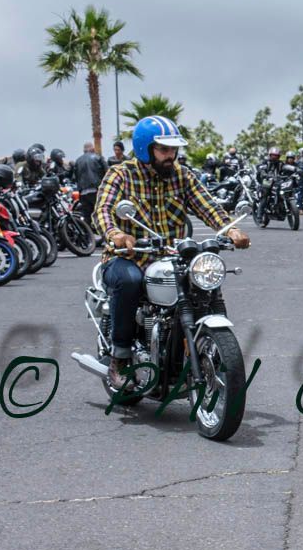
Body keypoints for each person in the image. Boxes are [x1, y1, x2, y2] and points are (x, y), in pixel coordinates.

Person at [92, 116, 250, 391]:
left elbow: (207, 206)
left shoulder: (181, 175)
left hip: (172, 255)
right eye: (163, 150)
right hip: (129, 256)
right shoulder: (121, 174)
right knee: (128, 281)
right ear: (145, 148)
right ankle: (120, 358)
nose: (170, 155)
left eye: (173, 150)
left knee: (204, 284)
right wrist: (116, 234)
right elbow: (103, 210)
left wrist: (230, 230)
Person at [72, 141, 107, 223]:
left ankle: (88, 234)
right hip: (96, 190)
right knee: (100, 213)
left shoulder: (78, 160)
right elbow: (107, 172)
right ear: (92, 149)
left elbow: (74, 177)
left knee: (87, 216)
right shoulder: (98, 157)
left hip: (83, 192)